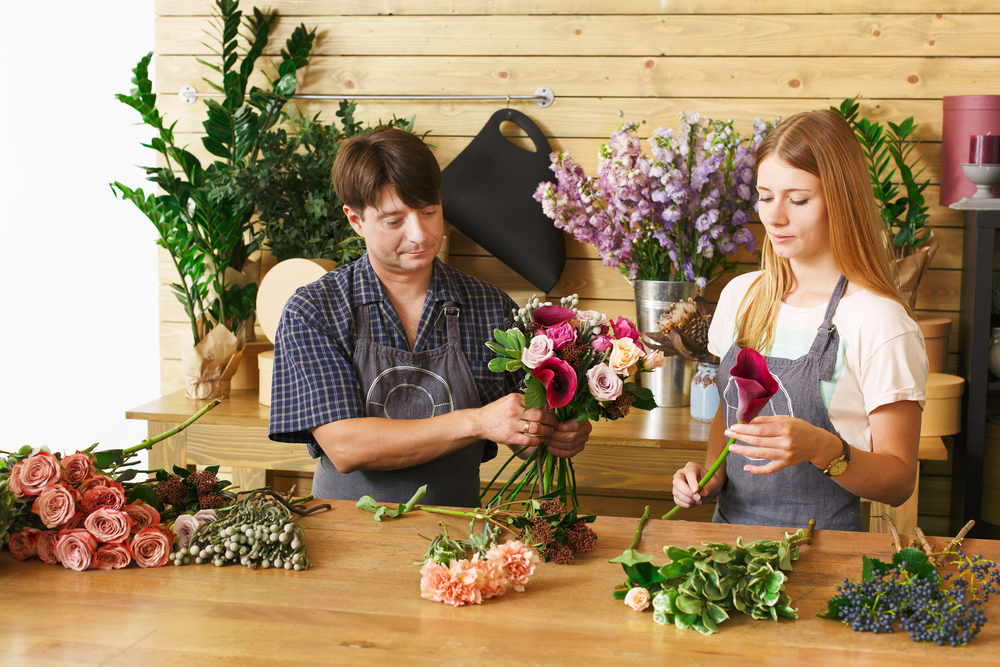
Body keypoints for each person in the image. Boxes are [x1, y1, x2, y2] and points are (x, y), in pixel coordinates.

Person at [268, 128, 590, 506]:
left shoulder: (490, 308)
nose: (419, 234)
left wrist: (553, 434)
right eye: (393, 221)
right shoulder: (315, 310)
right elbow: (345, 446)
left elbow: (523, 438)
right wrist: (476, 421)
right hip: (345, 537)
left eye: (429, 211)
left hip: (455, 542)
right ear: (355, 220)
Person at [672, 110, 928, 531]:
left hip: (826, 554)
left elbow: (899, 481)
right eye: (765, 195)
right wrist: (710, 475)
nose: (774, 217)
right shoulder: (742, 296)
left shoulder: (879, 321)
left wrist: (824, 449)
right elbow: (730, 412)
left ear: (840, 201)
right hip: (726, 546)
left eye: (799, 199)